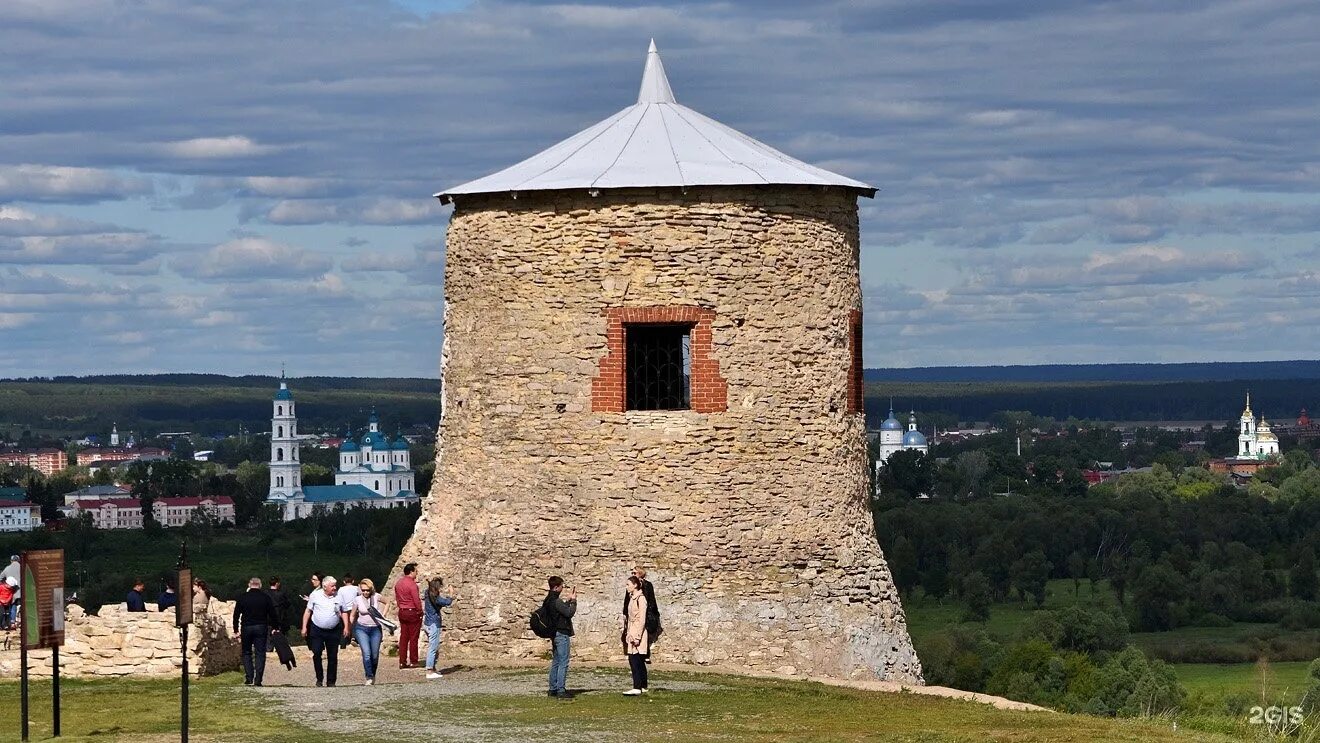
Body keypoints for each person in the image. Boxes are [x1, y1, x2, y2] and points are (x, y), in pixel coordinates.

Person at [302, 575, 349, 687]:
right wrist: (304, 627)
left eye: (335, 586)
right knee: (317, 652)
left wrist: (346, 626)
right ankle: (319, 678)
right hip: (317, 629)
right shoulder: (315, 595)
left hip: (334, 629)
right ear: (324, 586)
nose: (334, 588)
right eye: (332, 586)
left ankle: (331, 681)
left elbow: (344, 611)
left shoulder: (339, 596)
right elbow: (308, 611)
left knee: (332, 655)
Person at [233, 577, 277, 686]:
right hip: (261, 626)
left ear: (249, 585)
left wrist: (235, 629)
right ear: (260, 585)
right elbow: (272, 614)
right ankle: (258, 679)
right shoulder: (265, 598)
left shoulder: (243, 597)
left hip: (246, 627)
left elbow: (236, 614)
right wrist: (275, 627)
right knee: (260, 653)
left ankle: (249, 677)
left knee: (246, 652)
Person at [543, 576, 576, 699]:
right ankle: (561, 689)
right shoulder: (556, 601)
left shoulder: (548, 600)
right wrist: (573, 601)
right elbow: (569, 613)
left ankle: (553, 688)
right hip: (561, 633)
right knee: (563, 662)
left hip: (554, 633)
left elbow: (559, 612)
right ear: (556, 587)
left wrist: (566, 602)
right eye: (561, 586)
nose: (562, 588)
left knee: (556, 661)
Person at [350, 578, 388, 685]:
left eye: (367, 590)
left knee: (374, 655)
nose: (365, 592)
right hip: (362, 628)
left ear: (371, 589)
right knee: (366, 653)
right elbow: (352, 615)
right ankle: (369, 676)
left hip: (375, 628)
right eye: (363, 590)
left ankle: (373, 674)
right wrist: (349, 628)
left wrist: (383, 615)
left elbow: (388, 601)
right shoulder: (357, 600)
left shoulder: (376, 597)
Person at [622, 566, 661, 661]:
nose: (633, 574)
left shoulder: (647, 585)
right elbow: (627, 600)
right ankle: (632, 653)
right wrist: (625, 612)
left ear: (640, 573)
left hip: (644, 612)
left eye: (634, 573)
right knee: (630, 632)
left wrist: (652, 613)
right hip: (633, 613)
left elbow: (651, 599)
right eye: (632, 573)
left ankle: (644, 655)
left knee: (643, 633)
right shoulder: (631, 585)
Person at [621, 576, 650, 695]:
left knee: (635, 659)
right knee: (636, 658)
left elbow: (642, 619)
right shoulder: (632, 598)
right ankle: (642, 685)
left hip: (638, 630)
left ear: (635, 585)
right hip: (632, 629)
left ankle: (638, 686)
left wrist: (637, 636)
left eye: (628, 584)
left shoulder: (641, 599)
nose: (627, 587)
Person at [422, 577, 455, 679]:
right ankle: (429, 671)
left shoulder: (427, 593)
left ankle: (433, 668)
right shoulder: (435, 597)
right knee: (433, 648)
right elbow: (447, 602)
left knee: (433, 647)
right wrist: (451, 593)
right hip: (434, 624)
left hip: (427, 623)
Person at [394, 563, 423, 669]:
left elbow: (397, 598)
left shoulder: (398, 583)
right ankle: (413, 660)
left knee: (404, 637)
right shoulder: (412, 585)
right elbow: (416, 600)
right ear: (411, 572)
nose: (417, 573)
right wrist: (420, 611)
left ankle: (402, 661)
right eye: (416, 571)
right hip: (412, 611)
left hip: (402, 610)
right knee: (413, 637)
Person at [1, 556, 18, 628]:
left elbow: (1, 577)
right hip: (21, 592)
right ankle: (13, 622)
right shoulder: (23, 567)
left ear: (11, 561)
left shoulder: (7, 568)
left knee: (12, 605)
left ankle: (10, 622)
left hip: (10, 594)